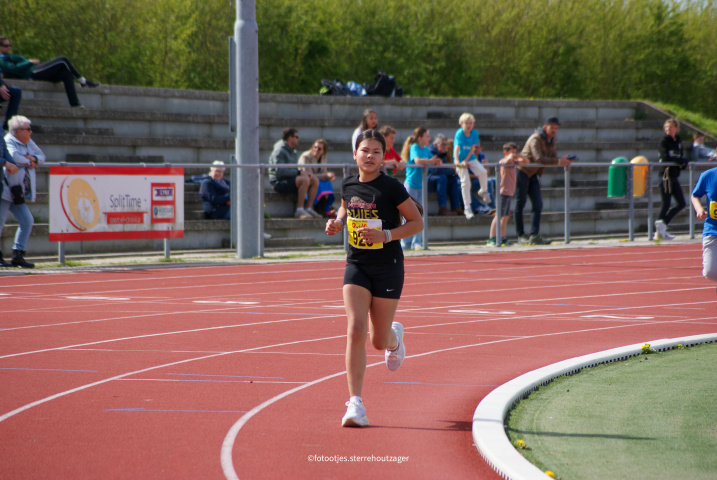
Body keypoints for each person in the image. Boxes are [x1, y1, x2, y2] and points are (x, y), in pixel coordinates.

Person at [325, 128, 423, 427]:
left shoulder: (391, 187)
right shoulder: (348, 183)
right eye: (365, 150)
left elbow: (417, 222)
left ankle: (394, 338)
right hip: (357, 264)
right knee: (355, 329)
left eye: (376, 152)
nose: (369, 156)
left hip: (388, 266)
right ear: (355, 154)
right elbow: (345, 207)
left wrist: (386, 235)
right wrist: (337, 222)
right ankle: (355, 404)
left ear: (383, 158)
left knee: (378, 341)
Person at [516, 117, 573, 245]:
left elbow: (552, 157)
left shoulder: (552, 140)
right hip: (522, 172)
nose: (554, 130)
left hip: (534, 174)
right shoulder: (535, 138)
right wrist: (558, 161)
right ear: (545, 127)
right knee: (520, 204)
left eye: (556, 128)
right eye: (552, 127)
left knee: (538, 204)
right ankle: (520, 235)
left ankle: (534, 235)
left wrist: (562, 159)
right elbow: (539, 158)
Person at [0, 37, 99, 108]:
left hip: (36, 69)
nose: (9, 47)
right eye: (6, 45)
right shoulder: (1, 58)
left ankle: (74, 103)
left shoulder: (11, 56)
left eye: (10, 45)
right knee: (62, 60)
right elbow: (13, 69)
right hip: (33, 72)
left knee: (66, 73)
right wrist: (29, 62)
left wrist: (29, 62)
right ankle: (83, 81)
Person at [1, 115, 43, 268]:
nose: (31, 132)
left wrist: (34, 159)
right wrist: (29, 161)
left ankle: (17, 254)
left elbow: (42, 156)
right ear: (19, 131)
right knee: (0, 222)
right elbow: (13, 157)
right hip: (6, 188)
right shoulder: (9, 140)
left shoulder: (28, 142)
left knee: (27, 220)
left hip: (18, 191)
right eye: (28, 129)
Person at [400, 127, 441, 250]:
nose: (429, 138)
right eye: (427, 136)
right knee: (408, 214)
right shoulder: (414, 147)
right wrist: (431, 160)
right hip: (411, 184)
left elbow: (431, 161)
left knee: (419, 214)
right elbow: (418, 161)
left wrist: (436, 161)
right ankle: (405, 242)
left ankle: (416, 242)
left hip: (421, 185)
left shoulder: (426, 149)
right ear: (420, 138)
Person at [268, 127, 321, 219]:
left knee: (314, 180)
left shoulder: (293, 151)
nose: (298, 139)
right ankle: (299, 210)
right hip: (278, 182)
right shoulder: (279, 151)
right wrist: (299, 173)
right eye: (296, 137)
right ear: (290, 138)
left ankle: (308, 208)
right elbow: (280, 171)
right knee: (304, 180)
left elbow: (293, 170)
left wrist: (302, 172)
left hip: (289, 179)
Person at [488, 143, 528, 246]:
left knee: (505, 217)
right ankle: (491, 238)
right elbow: (506, 161)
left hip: (509, 192)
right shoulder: (503, 161)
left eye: (515, 152)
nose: (514, 154)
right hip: (503, 191)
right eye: (512, 152)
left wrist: (520, 156)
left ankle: (503, 237)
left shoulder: (514, 162)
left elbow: (526, 162)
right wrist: (510, 156)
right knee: (498, 215)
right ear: (505, 152)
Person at [655, 118, 688, 240]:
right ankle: (658, 230)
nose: (668, 129)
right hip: (665, 176)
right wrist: (679, 161)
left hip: (674, 176)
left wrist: (683, 162)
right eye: (666, 127)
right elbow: (665, 158)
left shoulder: (678, 142)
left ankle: (662, 226)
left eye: (671, 127)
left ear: (676, 128)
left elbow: (680, 157)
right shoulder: (663, 141)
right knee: (666, 203)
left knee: (681, 203)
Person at [454, 113, 491, 220]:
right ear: (461, 124)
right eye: (466, 123)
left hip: (470, 158)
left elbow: (472, 149)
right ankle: (467, 208)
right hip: (459, 159)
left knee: (483, 172)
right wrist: (457, 161)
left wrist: (466, 161)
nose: (469, 125)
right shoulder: (459, 133)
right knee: (466, 182)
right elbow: (456, 148)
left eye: (471, 123)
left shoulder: (475, 133)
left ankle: (483, 190)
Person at [691, 166, 717, 288]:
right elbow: (695, 195)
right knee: (710, 272)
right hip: (712, 229)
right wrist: (699, 209)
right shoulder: (708, 175)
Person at [298, 139, 337, 217]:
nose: (316, 149)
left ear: (323, 151)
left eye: (319, 148)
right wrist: (325, 176)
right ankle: (316, 208)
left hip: (316, 179)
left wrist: (329, 177)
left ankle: (325, 209)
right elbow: (309, 175)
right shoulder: (306, 156)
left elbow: (324, 172)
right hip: (307, 179)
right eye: (314, 147)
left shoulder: (323, 158)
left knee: (328, 183)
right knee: (319, 183)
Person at [427, 134, 461, 216]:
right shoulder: (431, 152)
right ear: (436, 144)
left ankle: (455, 207)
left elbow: (443, 169)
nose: (445, 147)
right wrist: (453, 171)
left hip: (438, 179)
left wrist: (452, 172)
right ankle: (442, 208)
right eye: (443, 144)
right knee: (442, 177)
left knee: (453, 180)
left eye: (446, 144)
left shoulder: (442, 153)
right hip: (427, 180)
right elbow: (435, 170)